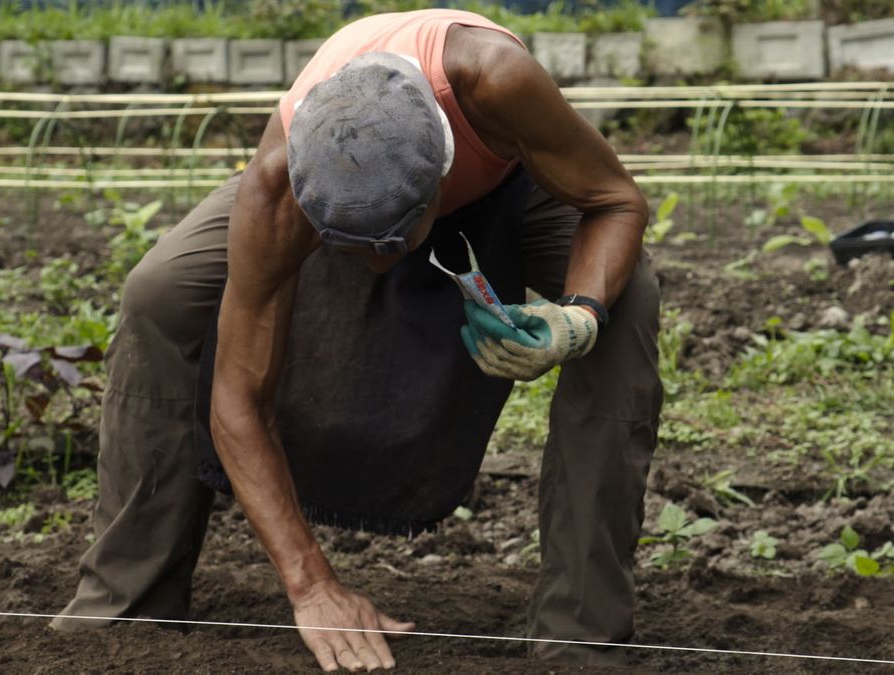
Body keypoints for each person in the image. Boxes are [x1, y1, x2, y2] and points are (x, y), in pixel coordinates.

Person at [52, 8, 662, 671]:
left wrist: (579, 315)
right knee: (159, 293)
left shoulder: (496, 82)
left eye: (392, 244)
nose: (378, 265)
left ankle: (581, 633)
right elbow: (238, 398)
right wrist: (311, 584)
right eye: (355, 247)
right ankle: (126, 603)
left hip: (504, 168)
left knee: (628, 300)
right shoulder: (280, 181)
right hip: (327, 173)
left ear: (436, 189)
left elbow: (616, 200)